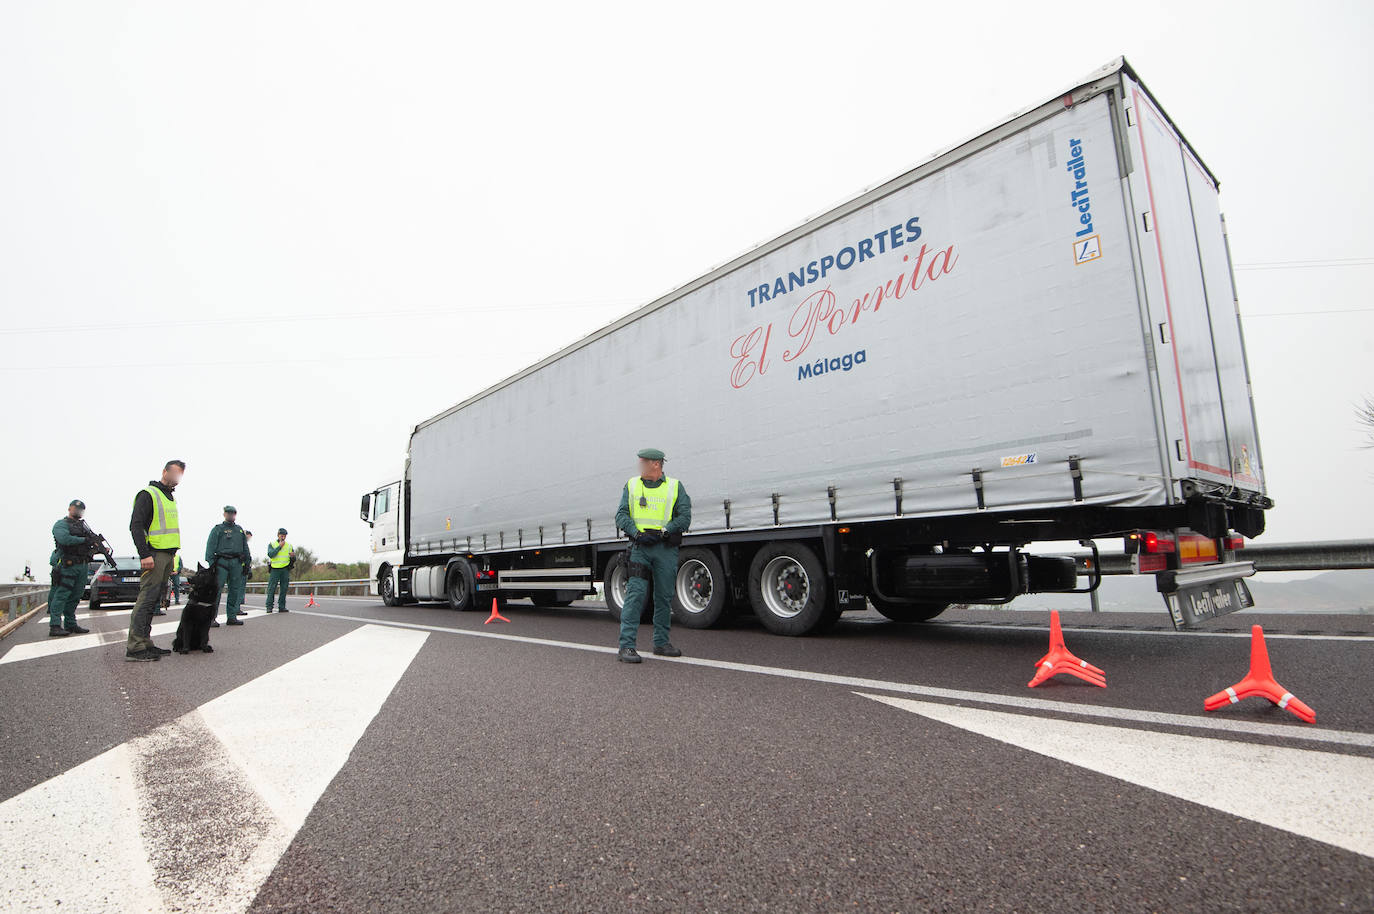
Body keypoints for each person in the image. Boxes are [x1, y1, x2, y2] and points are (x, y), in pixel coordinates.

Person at [614, 447, 691, 663]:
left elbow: (684, 517)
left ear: (655, 464)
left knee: (664, 596)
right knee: (636, 595)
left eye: (643, 462)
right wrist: (637, 532)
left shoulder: (675, 487)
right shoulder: (632, 485)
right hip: (641, 548)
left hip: (665, 548)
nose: (639, 466)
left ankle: (661, 643)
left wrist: (664, 531)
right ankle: (626, 646)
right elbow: (621, 515)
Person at [127, 460, 186, 661]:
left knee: (154, 601)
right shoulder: (149, 494)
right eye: (175, 473)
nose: (178, 478)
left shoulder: (169, 497)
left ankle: (146, 642)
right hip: (154, 554)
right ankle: (135, 647)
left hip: (167, 556)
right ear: (164, 472)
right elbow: (136, 526)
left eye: (181, 474)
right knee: (146, 600)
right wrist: (144, 554)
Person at [46, 499, 94, 637]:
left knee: (76, 595)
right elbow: (64, 539)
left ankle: (70, 624)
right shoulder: (61, 524)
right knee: (62, 594)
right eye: (76, 509)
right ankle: (55, 625)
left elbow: (88, 544)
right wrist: (84, 540)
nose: (78, 511)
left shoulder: (83, 527)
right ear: (70, 509)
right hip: (68, 564)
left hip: (82, 565)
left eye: (81, 510)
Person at [206, 506, 252, 625]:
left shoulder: (239, 530)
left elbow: (245, 547)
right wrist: (212, 564)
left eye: (233, 513)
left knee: (235, 590)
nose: (231, 515)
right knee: (216, 591)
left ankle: (231, 616)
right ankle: (211, 618)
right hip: (222, 562)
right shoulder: (218, 529)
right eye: (229, 513)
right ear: (224, 514)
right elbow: (210, 547)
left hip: (236, 563)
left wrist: (247, 563)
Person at [265, 528, 294, 612]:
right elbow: (271, 554)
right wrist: (279, 547)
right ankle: (269, 607)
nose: (283, 537)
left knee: (284, 588)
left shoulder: (289, 545)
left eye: (284, 536)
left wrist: (293, 556)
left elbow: (293, 558)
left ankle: (282, 607)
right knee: (271, 588)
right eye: (281, 535)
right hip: (275, 569)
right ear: (278, 535)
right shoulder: (272, 544)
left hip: (285, 569)